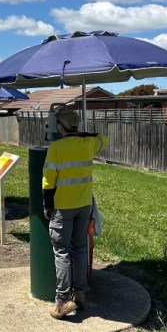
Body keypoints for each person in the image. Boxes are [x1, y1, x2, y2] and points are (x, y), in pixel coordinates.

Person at [42, 109, 108, 319]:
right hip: (84, 205)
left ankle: (62, 302)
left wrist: (47, 205)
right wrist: (84, 135)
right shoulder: (88, 144)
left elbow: (48, 180)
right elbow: (103, 138)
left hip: (63, 207)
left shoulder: (56, 147)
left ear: (60, 126)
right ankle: (80, 295)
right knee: (79, 248)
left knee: (62, 251)